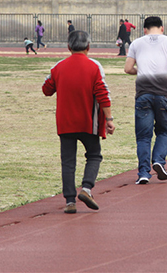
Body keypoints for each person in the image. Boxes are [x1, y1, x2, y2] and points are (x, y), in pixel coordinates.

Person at [42, 30, 115, 213]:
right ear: (88, 47)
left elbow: (47, 90)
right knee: (94, 155)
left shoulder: (59, 66)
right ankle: (86, 188)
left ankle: (69, 201)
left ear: (68, 47)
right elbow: (102, 94)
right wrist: (109, 119)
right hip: (88, 121)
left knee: (68, 161)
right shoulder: (94, 66)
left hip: (65, 122)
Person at [124, 16, 167, 184]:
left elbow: (127, 68)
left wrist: (141, 70)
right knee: (164, 131)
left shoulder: (136, 43)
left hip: (143, 93)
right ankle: (158, 160)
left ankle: (143, 173)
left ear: (144, 29)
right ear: (162, 28)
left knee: (143, 136)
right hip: (163, 92)